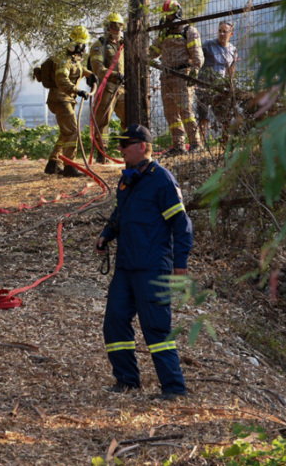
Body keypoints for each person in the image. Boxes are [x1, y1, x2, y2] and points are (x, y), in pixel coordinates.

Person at [94, 124, 192, 399]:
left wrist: (180, 261)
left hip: (153, 267)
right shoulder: (127, 179)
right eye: (120, 144)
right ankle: (126, 381)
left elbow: (181, 225)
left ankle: (174, 389)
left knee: (156, 328)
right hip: (126, 266)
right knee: (114, 321)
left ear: (142, 147)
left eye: (126, 144)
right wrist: (106, 235)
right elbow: (120, 213)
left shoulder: (162, 180)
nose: (121, 149)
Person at [149, 0, 203, 156]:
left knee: (185, 110)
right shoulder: (164, 32)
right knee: (170, 112)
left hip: (182, 76)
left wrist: (195, 70)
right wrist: (143, 53)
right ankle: (178, 146)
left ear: (178, 14)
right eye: (166, 16)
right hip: (166, 76)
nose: (168, 19)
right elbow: (154, 51)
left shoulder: (188, 31)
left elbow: (197, 53)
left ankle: (195, 143)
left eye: (171, 15)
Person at [44, 25, 96, 176]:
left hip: (66, 99)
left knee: (66, 132)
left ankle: (53, 163)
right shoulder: (63, 59)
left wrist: (89, 74)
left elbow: (76, 70)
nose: (84, 48)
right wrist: (78, 90)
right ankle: (69, 166)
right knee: (73, 131)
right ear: (77, 44)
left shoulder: (73, 58)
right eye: (83, 44)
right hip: (60, 99)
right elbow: (62, 80)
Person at [90, 13, 126, 163]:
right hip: (107, 88)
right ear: (107, 27)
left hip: (123, 88)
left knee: (129, 118)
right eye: (114, 26)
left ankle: (127, 149)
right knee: (102, 120)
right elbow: (98, 68)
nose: (117, 29)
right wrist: (116, 75)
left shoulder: (124, 45)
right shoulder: (99, 45)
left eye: (120, 26)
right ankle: (101, 153)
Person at [197, 21, 238, 142]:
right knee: (203, 116)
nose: (221, 33)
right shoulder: (208, 45)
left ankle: (226, 142)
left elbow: (231, 71)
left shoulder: (233, 50)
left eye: (224, 31)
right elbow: (196, 57)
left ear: (231, 34)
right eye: (219, 30)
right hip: (203, 86)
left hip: (219, 88)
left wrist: (231, 87)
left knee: (224, 116)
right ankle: (202, 144)